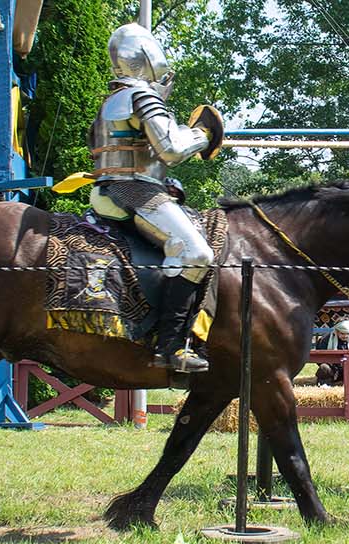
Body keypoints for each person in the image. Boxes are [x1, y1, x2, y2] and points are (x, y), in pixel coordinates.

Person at [85, 23, 224, 373]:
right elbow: (172, 149)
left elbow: (138, 154)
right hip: (132, 191)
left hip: (121, 186)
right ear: (147, 58)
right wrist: (203, 134)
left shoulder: (112, 99)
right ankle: (171, 347)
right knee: (196, 253)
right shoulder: (142, 96)